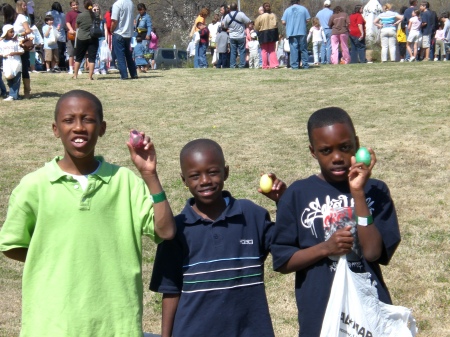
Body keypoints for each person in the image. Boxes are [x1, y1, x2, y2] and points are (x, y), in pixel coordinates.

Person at [0, 89, 176, 336]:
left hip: (115, 322)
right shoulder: (34, 186)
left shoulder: (125, 182)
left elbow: (166, 231)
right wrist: (58, 260)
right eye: (69, 120)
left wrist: (149, 176)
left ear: (102, 128)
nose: (79, 127)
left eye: (88, 119)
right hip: (51, 323)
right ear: (55, 129)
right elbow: (11, 244)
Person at [271, 107, 401, 337]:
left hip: (367, 310)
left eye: (345, 147)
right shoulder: (298, 193)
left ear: (356, 143)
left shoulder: (376, 191)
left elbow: (372, 253)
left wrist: (358, 193)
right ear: (313, 152)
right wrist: (326, 248)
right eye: (326, 150)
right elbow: (283, 261)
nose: (338, 157)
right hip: (320, 312)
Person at [150, 138, 286, 337]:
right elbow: (170, 291)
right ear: (184, 180)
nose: (205, 180)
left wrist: (283, 202)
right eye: (195, 175)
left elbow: (286, 247)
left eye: (213, 172)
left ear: (226, 172)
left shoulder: (251, 215)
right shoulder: (177, 229)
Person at [2, 2, 32, 99]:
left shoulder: (21, 17)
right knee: (12, 69)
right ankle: (14, 92)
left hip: (21, 45)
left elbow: (28, 30)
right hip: (10, 47)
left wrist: (18, 35)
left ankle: (27, 90)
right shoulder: (8, 21)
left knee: (23, 69)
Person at [72, 0, 101, 80]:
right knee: (92, 58)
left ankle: (75, 75)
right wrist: (95, 12)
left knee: (78, 58)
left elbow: (76, 26)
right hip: (93, 38)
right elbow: (99, 21)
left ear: (84, 6)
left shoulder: (80, 15)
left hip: (82, 37)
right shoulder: (95, 15)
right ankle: (90, 76)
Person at [111, 0, 138, 79]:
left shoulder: (117, 4)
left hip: (119, 32)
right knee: (128, 55)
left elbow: (114, 20)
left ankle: (124, 75)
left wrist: (111, 30)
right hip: (128, 33)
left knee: (120, 56)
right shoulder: (130, 3)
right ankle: (134, 73)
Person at [282, 0, 311, 69]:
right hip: (302, 31)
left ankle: (294, 66)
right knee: (303, 49)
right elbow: (308, 20)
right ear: (298, 1)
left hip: (291, 32)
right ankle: (305, 65)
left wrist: (289, 24)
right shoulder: (304, 9)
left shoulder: (287, 10)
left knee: (293, 50)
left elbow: (283, 21)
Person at [222, 2, 251, 68]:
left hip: (232, 36)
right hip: (241, 35)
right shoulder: (241, 14)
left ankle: (232, 65)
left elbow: (224, 25)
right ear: (237, 7)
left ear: (230, 9)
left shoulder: (227, 16)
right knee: (242, 51)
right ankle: (242, 65)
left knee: (233, 51)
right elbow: (248, 21)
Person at [0, 24, 23, 101]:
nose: (12, 33)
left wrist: (14, 53)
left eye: (13, 32)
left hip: (16, 62)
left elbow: (21, 51)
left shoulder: (16, 41)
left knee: (16, 78)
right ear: (6, 32)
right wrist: (3, 55)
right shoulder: (2, 42)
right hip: (7, 63)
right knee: (9, 78)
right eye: (11, 32)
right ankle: (15, 95)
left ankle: (12, 95)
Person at [254, 2, 279, 69]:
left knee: (264, 50)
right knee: (272, 49)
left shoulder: (260, 17)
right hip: (272, 32)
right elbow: (276, 23)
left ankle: (265, 65)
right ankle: (274, 64)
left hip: (263, 33)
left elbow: (256, 26)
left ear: (263, 9)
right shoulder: (273, 15)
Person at [46, 2, 66, 70]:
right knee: (60, 52)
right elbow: (64, 24)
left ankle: (51, 66)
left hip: (51, 34)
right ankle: (60, 65)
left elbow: (46, 21)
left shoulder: (49, 13)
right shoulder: (63, 15)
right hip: (61, 35)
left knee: (51, 52)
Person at [65, 0, 82, 74]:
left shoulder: (81, 14)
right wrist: (71, 29)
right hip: (71, 35)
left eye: (76, 5)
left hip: (80, 35)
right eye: (74, 5)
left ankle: (78, 68)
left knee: (78, 52)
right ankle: (71, 68)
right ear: (71, 6)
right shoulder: (69, 14)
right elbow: (67, 22)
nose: (75, 6)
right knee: (71, 53)